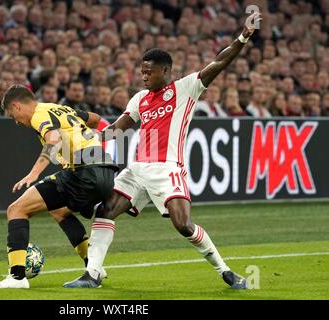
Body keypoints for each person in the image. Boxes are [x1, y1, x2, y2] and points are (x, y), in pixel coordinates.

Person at [63, 12, 262, 290]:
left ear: (165, 71)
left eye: (149, 72)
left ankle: (225, 271)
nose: (143, 76)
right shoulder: (139, 99)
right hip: (137, 169)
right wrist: (86, 143)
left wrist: (243, 37)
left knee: (183, 225)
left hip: (168, 169)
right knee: (106, 211)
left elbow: (220, 61)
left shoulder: (186, 88)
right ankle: (92, 274)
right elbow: (117, 129)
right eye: (141, 71)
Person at [0, 85, 119, 289]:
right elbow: (94, 119)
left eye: (12, 114)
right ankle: (94, 266)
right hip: (107, 171)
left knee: (17, 210)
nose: (15, 120)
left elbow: (53, 140)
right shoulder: (61, 109)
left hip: (83, 171)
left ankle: (17, 277)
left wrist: (34, 173)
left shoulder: (38, 115)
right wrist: (96, 140)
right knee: (59, 210)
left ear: (16, 106)